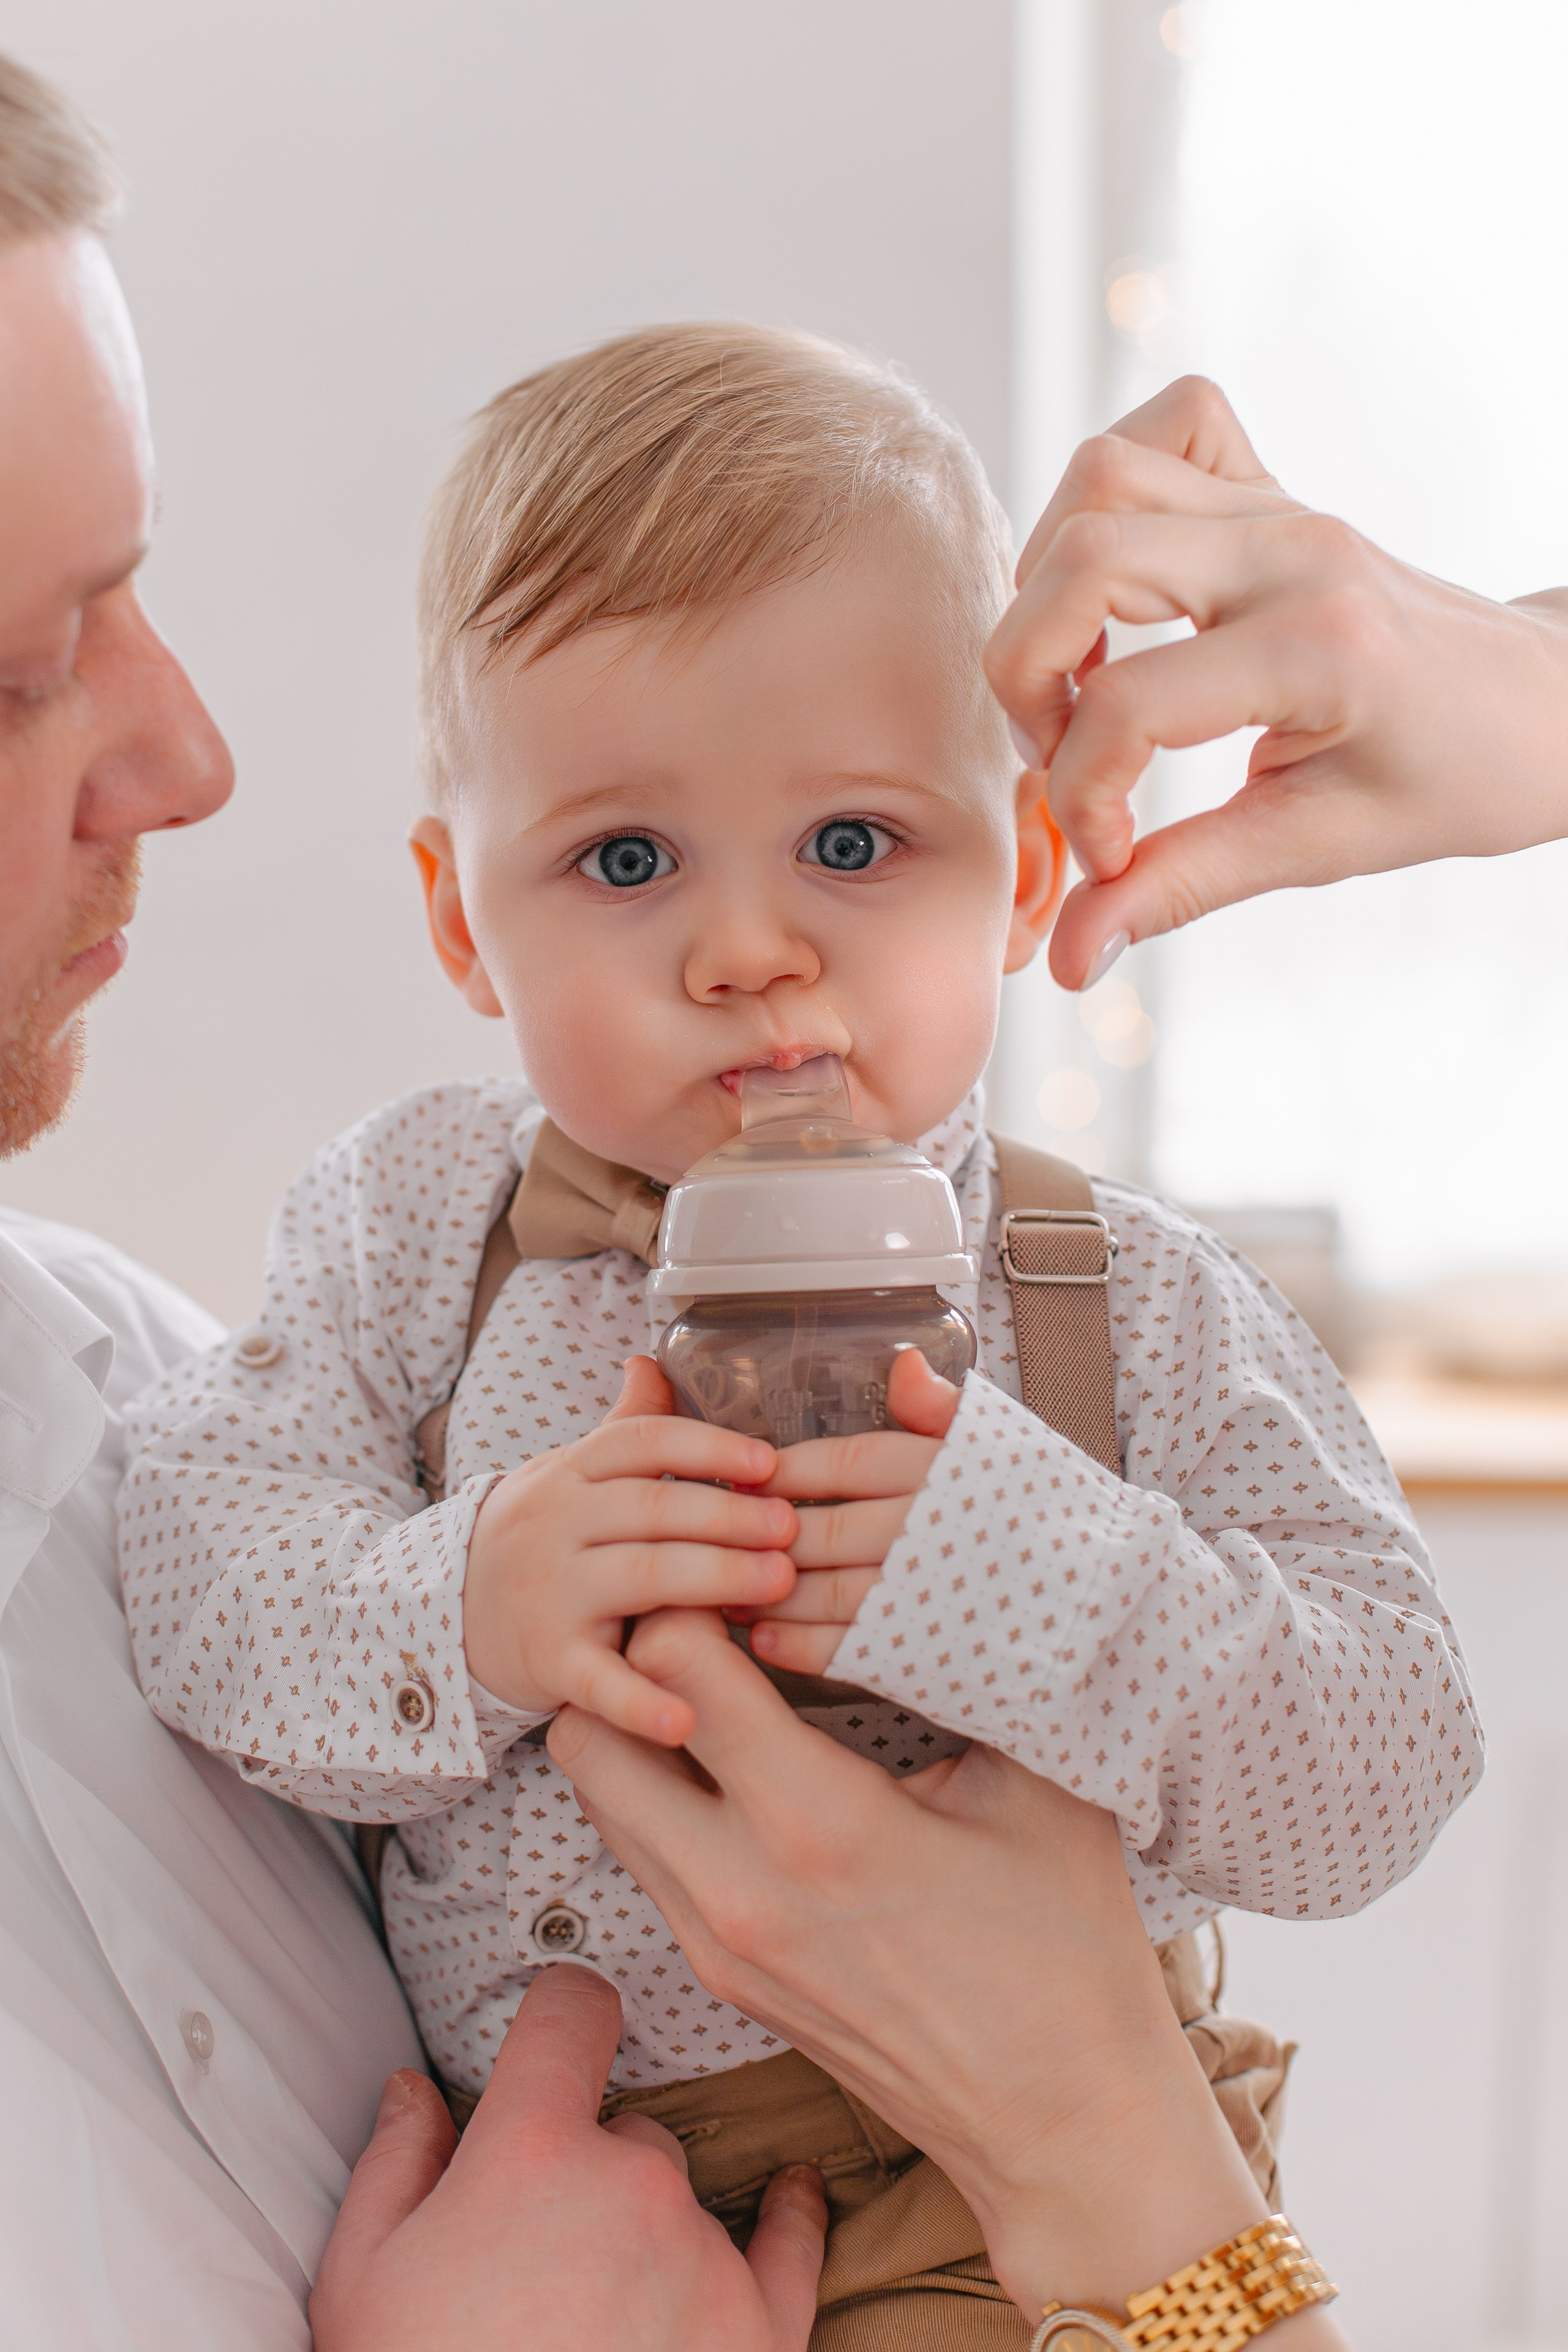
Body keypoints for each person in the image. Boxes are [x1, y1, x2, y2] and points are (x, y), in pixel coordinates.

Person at [119, 323, 1472, 2340]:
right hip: (561, 2203)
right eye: (626, 859)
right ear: (461, 921)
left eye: (854, 844)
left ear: (1024, 867)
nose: (750, 949)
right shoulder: (415, 1231)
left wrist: (1052, 1578)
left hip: (1006, 2221)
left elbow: (1392, 1762)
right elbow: (194, 1573)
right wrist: (462, 1604)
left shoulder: (1129, 1295)